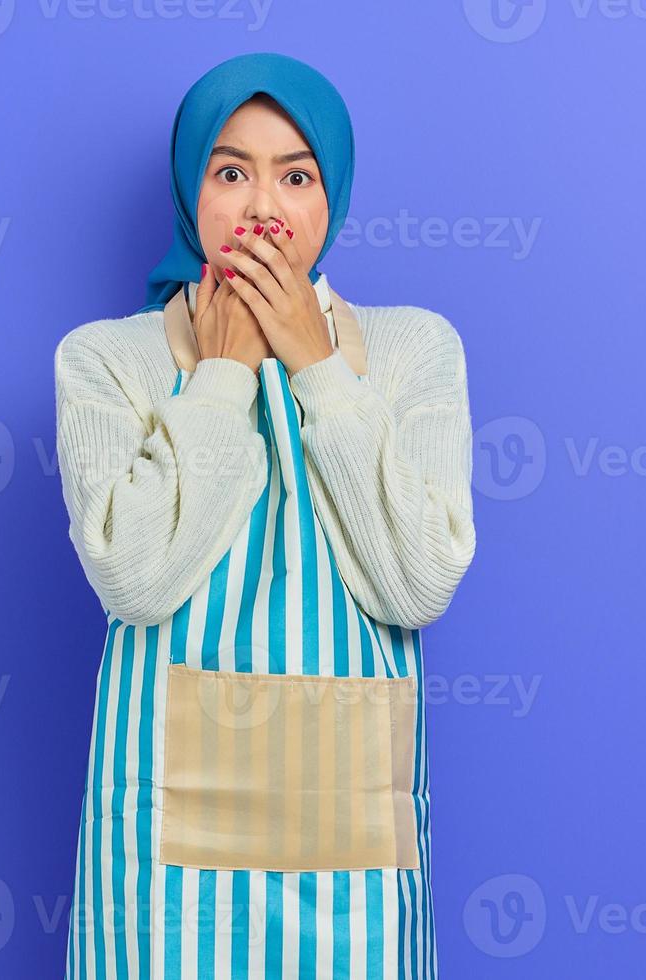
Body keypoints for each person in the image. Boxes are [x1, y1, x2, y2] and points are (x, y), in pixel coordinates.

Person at [53, 50, 475, 980]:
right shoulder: (104, 361)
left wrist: (318, 367)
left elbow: (419, 582)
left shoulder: (412, 351)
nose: (262, 210)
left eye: (296, 175)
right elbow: (136, 578)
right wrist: (224, 374)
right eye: (231, 171)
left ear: (335, 198)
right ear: (189, 186)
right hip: (168, 850)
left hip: (348, 839)